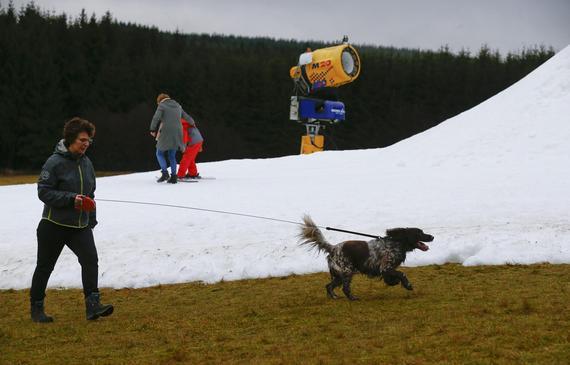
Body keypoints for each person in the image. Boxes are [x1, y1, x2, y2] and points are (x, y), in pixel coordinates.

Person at [31, 117, 113, 322]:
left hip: (79, 226)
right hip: (53, 225)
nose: (86, 144)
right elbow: (44, 192)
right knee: (45, 267)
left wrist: (91, 219)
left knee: (90, 259)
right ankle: (37, 308)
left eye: (88, 141)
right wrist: (71, 199)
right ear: (70, 140)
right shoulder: (54, 162)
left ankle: (93, 306)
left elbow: (90, 195)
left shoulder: (87, 163)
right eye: (82, 140)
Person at [150, 93, 189, 184]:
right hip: (178, 132)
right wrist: (192, 123)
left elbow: (156, 118)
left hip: (166, 131)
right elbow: (186, 116)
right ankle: (174, 177)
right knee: (172, 155)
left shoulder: (162, 106)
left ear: (160, 101)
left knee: (159, 152)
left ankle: (165, 173)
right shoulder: (178, 106)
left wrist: (152, 129)